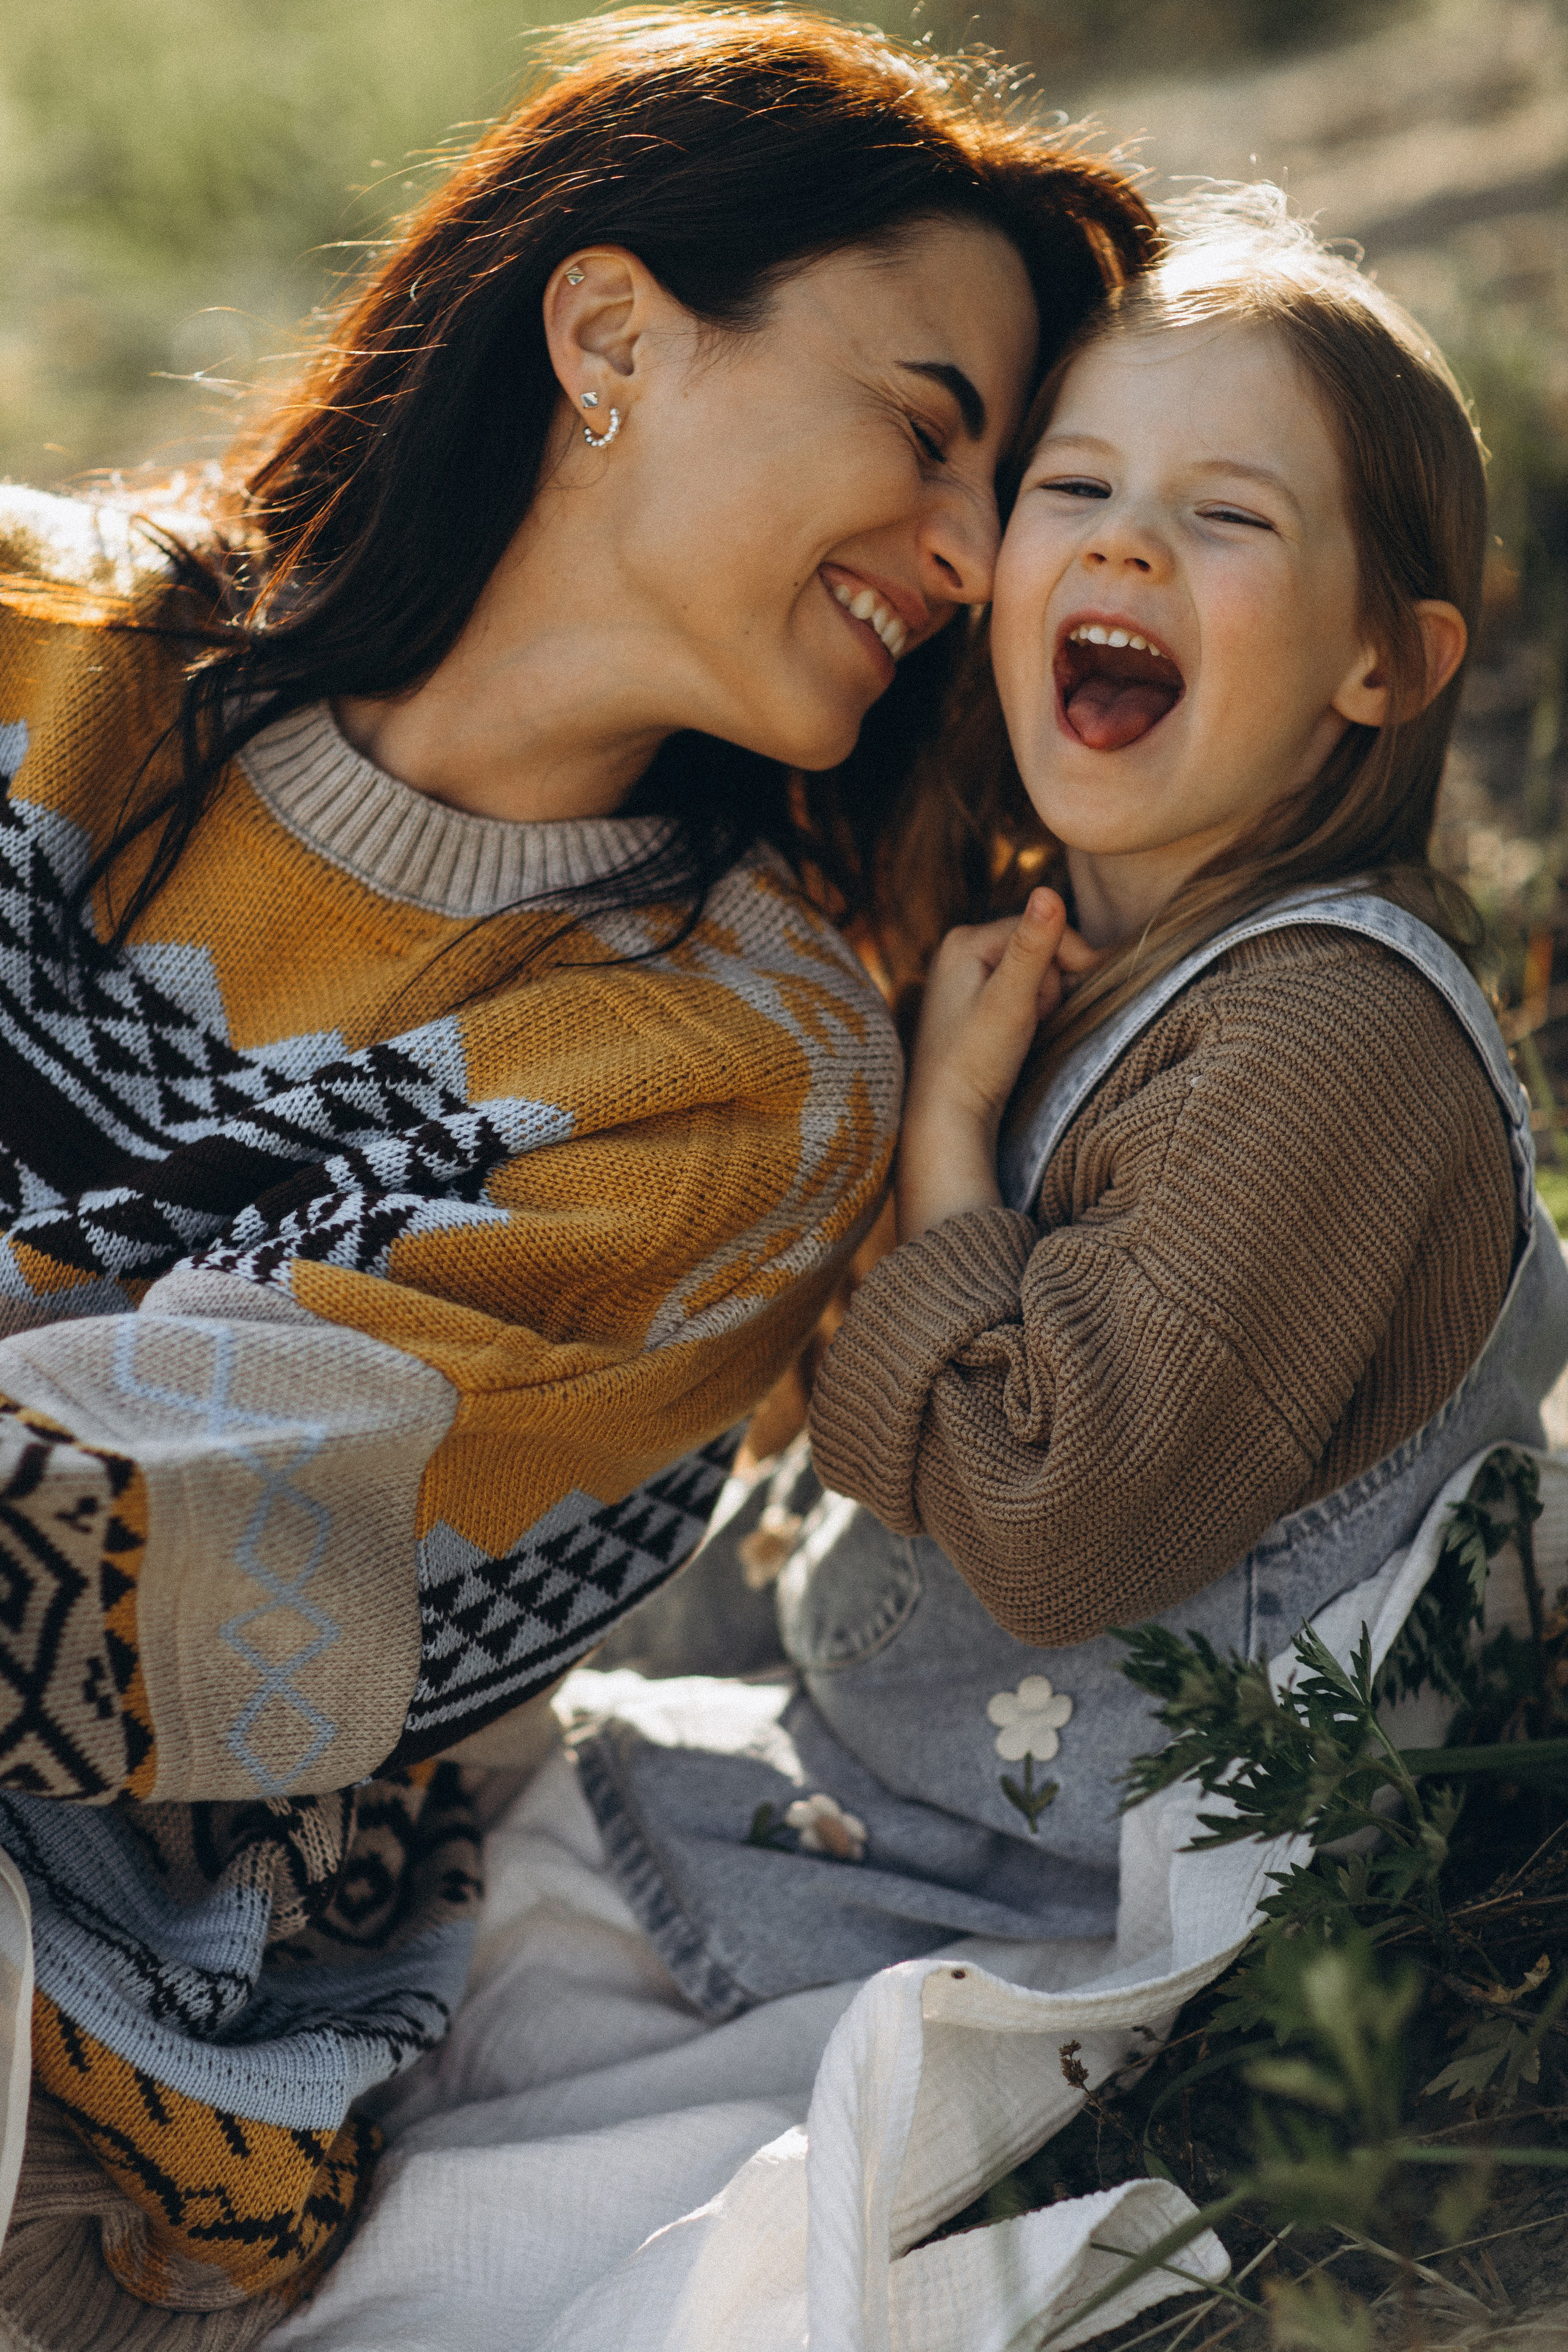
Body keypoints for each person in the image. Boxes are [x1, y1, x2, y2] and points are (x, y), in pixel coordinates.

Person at [0, 11, 1155, 2340]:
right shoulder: (48, 657)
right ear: (612, 330)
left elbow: (166, 1608)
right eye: (933, 429)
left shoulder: (741, 1083)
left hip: (92, 1974)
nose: (963, 549)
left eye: (1004, 495)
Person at [572, 190, 1568, 2021]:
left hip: (1056, 1882)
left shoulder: (1329, 1037)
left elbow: (1056, 1522)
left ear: (1390, 664)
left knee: (458, 1942)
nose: (1126, 548)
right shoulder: (1086, 962)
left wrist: (947, 1146)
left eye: (1228, 517)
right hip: (948, 1776)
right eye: (1077, 488)